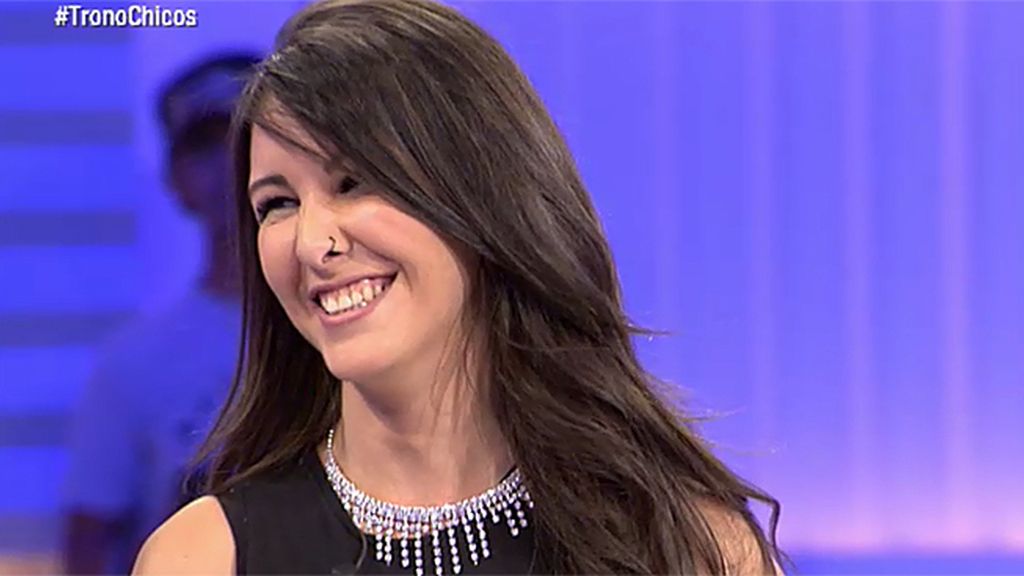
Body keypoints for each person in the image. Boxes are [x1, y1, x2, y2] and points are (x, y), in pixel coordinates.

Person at [132, 1, 786, 574]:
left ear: (481, 198)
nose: (311, 242)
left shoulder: (688, 546)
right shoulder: (203, 557)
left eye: (353, 182)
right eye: (277, 204)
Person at [61, 53, 260, 575]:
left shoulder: (343, 331)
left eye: (244, 140)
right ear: (175, 179)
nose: (228, 165)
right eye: (204, 148)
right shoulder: (133, 361)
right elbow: (89, 541)